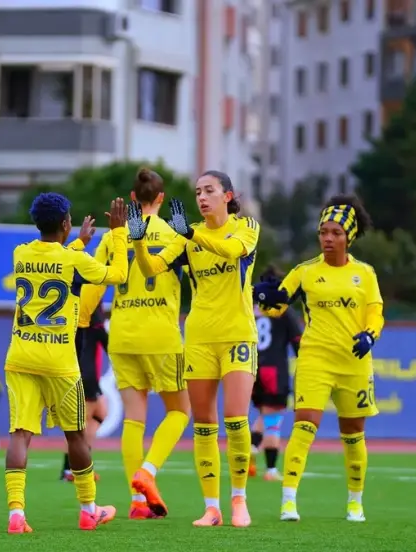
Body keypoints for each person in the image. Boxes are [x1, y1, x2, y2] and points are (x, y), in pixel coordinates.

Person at [128, 170, 260, 528]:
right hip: (199, 338)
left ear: (227, 196)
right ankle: (212, 508)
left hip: (238, 336)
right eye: (198, 191)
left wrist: (191, 233)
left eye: (209, 190)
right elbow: (151, 268)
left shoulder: (245, 226)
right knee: (203, 424)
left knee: (236, 418)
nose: (201, 197)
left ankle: (239, 499)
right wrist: (138, 242)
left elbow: (232, 251)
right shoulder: (187, 236)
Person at [3, 193, 129, 534]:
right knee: (75, 436)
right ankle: (88, 511)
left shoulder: (20, 253)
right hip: (59, 361)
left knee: (20, 434)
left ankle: (16, 514)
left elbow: (52, 259)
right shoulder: (74, 260)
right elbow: (118, 274)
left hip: (20, 356)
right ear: (64, 223)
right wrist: (118, 232)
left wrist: (78, 242)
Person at [253, 193, 383, 523]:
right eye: (323, 231)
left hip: (354, 363)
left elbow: (375, 312)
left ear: (349, 236)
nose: (328, 238)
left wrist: (369, 335)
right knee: (304, 424)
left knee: (353, 433)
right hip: (315, 359)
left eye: (336, 232)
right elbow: (277, 305)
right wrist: (263, 295)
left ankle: (355, 502)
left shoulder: (365, 273)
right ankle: (288, 500)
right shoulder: (305, 272)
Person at [84, 167, 191, 520]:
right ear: (161, 198)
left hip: (122, 332)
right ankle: (147, 472)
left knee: (134, 419)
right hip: (161, 335)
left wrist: (81, 321)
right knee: (180, 411)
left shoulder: (114, 235)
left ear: (132, 198)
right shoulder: (175, 234)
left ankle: (137, 502)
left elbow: (93, 284)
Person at [249, 266, 302, 482]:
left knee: (264, 413)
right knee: (274, 418)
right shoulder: (282, 309)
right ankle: (270, 469)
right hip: (274, 369)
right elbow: (297, 341)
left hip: (252, 368)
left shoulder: (251, 308)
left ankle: (252, 447)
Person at [61, 296, 109, 481]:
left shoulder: (73, 323)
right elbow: (110, 346)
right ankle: (71, 469)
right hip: (86, 377)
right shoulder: (95, 326)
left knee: (98, 415)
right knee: (81, 426)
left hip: (78, 376)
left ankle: (74, 467)